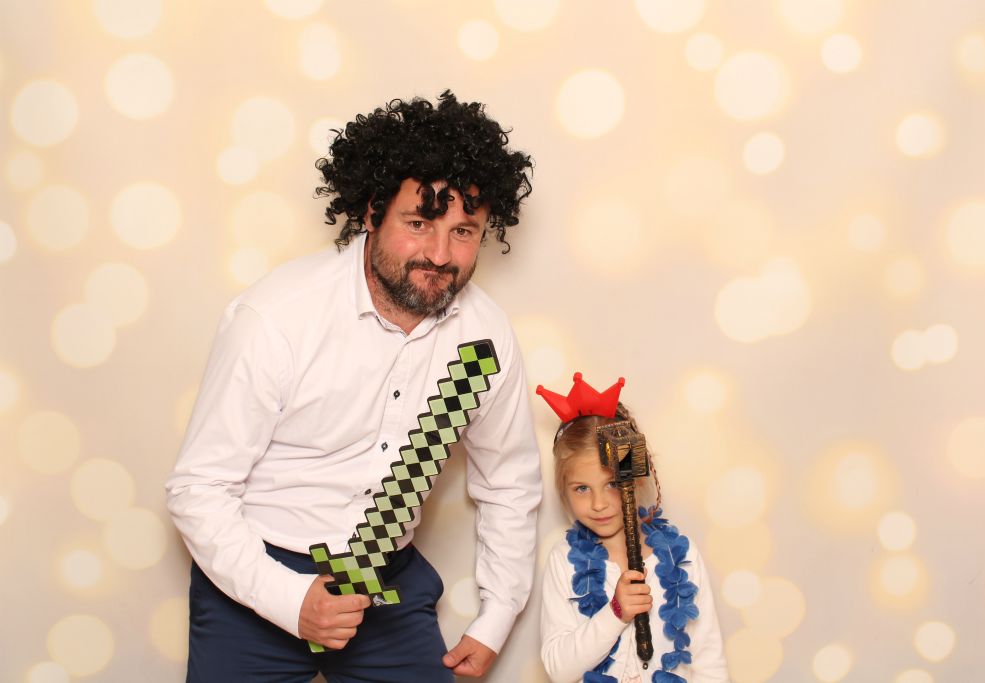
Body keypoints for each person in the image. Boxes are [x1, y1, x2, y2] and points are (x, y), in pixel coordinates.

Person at [166, 91, 541, 682]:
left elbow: (509, 484)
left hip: (385, 580)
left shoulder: (484, 340)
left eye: (464, 231)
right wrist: (288, 599)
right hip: (256, 577)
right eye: (418, 224)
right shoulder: (277, 318)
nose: (440, 254)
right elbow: (198, 488)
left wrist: (497, 616)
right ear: (372, 213)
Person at [536, 374, 729, 683]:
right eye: (582, 488)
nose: (599, 504)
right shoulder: (563, 562)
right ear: (564, 491)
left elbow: (708, 661)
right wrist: (615, 612)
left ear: (636, 480)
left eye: (613, 484)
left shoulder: (682, 556)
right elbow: (560, 670)